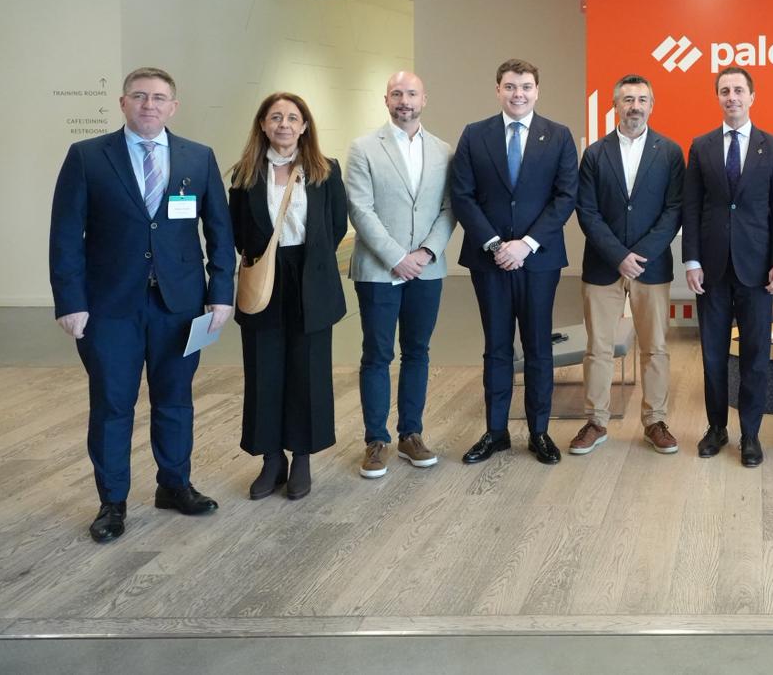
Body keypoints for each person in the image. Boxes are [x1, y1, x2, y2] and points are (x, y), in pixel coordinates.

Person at [49, 67, 234, 543]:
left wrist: (221, 293)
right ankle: (112, 502)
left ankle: (174, 484)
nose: (149, 104)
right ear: (123, 103)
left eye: (158, 97)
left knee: (175, 399)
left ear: (173, 107)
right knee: (112, 403)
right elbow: (65, 235)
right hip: (109, 307)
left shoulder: (198, 157)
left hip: (180, 305)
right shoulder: (87, 157)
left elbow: (219, 230)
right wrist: (70, 301)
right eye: (139, 96)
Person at [450, 58, 579, 467]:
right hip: (488, 260)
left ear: (537, 91)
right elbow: (462, 195)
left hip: (539, 260)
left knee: (538, 346)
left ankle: (539, 431)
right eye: (510, 86)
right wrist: (495, 244)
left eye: (525, 87)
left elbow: (565, 197)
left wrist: (526, 244)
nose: (518, 94)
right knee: (496, 346)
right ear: (497, 90)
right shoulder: (475, 135)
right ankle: (496, 432)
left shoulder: (558, 136)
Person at [228, 92, 348, 501]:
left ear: (304, 126)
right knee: (263, 370)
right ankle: (271, 459)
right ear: (263, 125)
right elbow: (237, 229)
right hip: (264, 278)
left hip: (310, 279)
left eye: (292, 118)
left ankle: (302, 458)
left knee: (307, 370)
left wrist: (309, 260)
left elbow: (335, 224)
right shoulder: (245, 174)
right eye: (275, 117)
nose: (284, 124)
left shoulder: (325, 170)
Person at [345, 70, 454, 480]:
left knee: (417, 352)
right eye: (396, 94)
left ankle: (411, 434)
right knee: (377, 354)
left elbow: (449, 208)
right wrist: (396, 257)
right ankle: (376, 440)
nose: (404, 101)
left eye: (411, 94)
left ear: (424, 99)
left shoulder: (443, 151)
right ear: (386, 100)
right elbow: (360, 209)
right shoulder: (363, 148)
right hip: (378, 269)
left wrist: (424, 253)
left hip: (426, 269)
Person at [570, 74, 685, 455]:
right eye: (627, 100)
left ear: (652, 105)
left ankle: (655, 421)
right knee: (598, 348)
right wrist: (618, 255)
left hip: (651, 267)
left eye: (641, 100)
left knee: (655, 348)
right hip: (603, 265)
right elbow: (586, 211)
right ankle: (596, 421)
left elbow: (674, 210)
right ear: (615, 105)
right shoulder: (594, 153)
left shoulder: (670, 152)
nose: (635, 106)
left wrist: (640, 254)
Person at [683, 67, 773, 468]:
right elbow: (691, 207)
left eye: (739, 90)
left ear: (752, 97)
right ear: (718, 97)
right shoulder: (701, 146)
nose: (732, 96)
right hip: (710, 269)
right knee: (713, 355)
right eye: (725, 90)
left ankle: (750, 434)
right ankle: (716, 429)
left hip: (758, 269)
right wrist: (692, 260)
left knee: (755, 355)